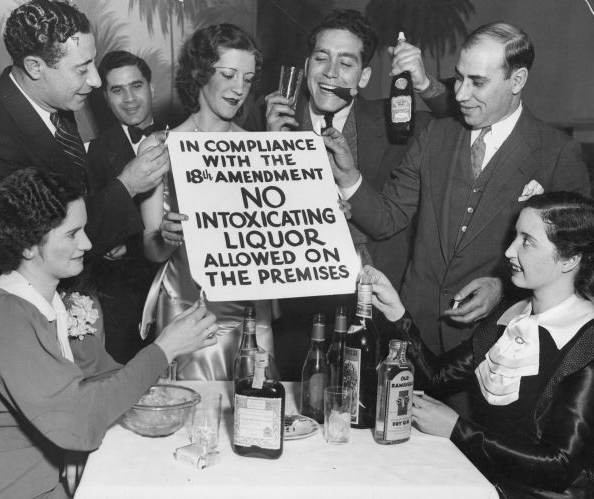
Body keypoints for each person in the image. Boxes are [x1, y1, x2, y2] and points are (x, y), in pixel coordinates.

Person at [327, 22, 591, 355]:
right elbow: (388, 217)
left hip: (497, 345)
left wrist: (502, 286)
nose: (461, 94)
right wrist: (349, 176)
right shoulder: (435, 134)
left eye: (478, 82)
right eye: (460, 77)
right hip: (412, 336)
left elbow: (577, 257)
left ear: (517, 80)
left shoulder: (556, 152)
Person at [0, 168, 218, 499]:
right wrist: (163, 349)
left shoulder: (46, 301)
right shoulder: (8, 316)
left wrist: (163, 360)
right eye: (72, 234)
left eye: (84, 229)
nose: (86, 243)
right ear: (28, 247)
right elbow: (78, 424)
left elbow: (94, 380)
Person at [366, 191, 594, 498]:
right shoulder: (510, 316)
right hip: (483, 484)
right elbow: (437, 378)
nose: (510, 252)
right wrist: (396, 310)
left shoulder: (586, 342)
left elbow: (560, 467)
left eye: (527, 241)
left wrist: (456, 429)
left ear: (569, 260)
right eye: (515, 237)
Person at [245, 8, 432, 291]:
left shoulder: (396, 122)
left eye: (346, 63)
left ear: (364, 76)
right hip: (288, 293)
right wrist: (272, 152)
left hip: (370, 292)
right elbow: (243, 212)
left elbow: (462, 119)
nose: (330, 72)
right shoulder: (265, 115)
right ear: (307, 67)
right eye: (321, 59)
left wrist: (425, 84)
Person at [139, 23, 274, 380]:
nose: (239, 89)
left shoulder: (259, 150)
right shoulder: (159, 147)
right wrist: (165, 238)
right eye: (228, 74)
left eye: (247, 78)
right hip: (188, 310)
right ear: (200, 73)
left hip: (250, 316)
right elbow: (152, 251)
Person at [0, 0, 169, 259]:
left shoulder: (55, 100)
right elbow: (46, 245)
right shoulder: (0, 137)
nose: (96, 80)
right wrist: (128, 184)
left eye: (93, 62)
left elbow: (77, 198)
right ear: (34, 67)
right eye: (81, 69)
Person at [86, 51, 160, 363]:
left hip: (179, 289)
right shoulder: (91, 153)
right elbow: (90, 226)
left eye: (136, 86)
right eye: (117, 90)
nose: (129, 99)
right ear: (105, 98)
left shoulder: (186, 135)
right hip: (122, 304)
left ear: (151, 88)